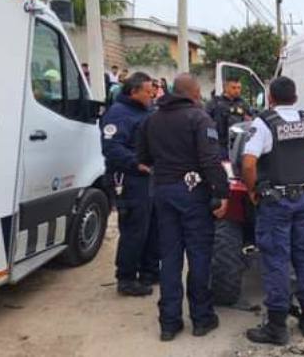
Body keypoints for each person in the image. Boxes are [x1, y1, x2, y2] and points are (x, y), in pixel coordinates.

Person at [137, 73, 229, 341]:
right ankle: (201, 318)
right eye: (199, 91)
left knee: (170, 258)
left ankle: (169, 323)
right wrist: (221, 192)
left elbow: (142, 159)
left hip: (163, 193)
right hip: (193, 195)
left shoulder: (151, 119)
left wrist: (165, 173)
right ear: (193, 92)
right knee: (199, 256)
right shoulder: (199, 118)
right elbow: (211, 160)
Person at [241, 76, 304, 345]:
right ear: (295, 97)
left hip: (276, 203)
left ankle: (277, 327)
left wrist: (251, 189)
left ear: (270, 97)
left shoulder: (264, 123)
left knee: (276, 261)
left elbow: (248, 164)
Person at [100, 72, 159, 296]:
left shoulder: (146, 111)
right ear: (134, 91)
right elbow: (112, 148)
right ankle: (126, 278)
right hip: (130, 179)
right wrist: (137, 164)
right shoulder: (118, 114)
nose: (152, 93)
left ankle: (150, 271)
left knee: (154, 228)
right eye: (148, 90)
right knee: (135, 230)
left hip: (151, 179)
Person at [205, 77, 252, 159]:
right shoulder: (215, 103)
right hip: (220, 144)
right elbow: (205, 122)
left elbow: (251, 120)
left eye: (239, 88)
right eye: (233, 88)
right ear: (225, 88)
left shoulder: (243, 104)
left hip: (237, 144)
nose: (237, 90)